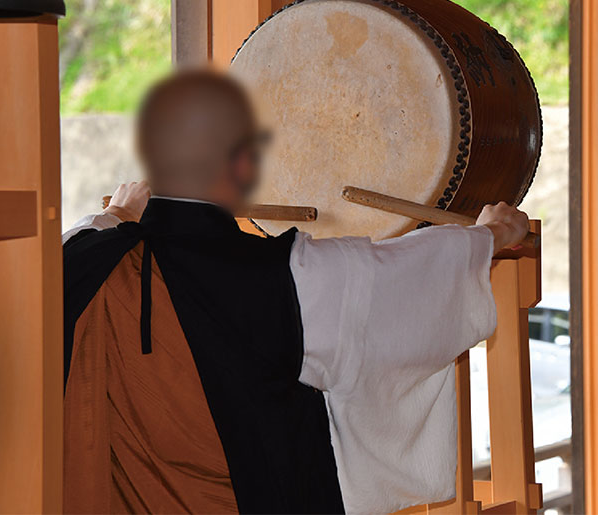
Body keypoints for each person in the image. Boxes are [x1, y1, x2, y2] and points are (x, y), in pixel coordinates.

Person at [62, 69, 529, 514]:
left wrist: (119, 214)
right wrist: (486, 237)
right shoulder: (275, 274)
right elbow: (394, 282)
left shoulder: (84, 261)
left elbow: (82, 238)